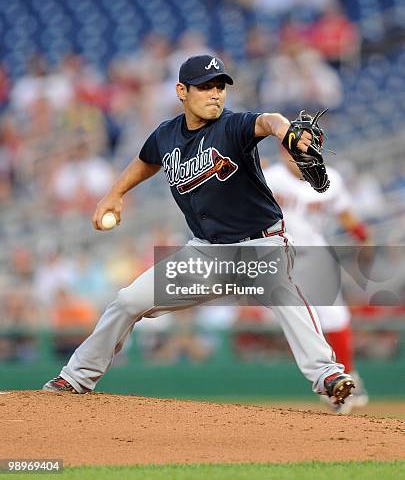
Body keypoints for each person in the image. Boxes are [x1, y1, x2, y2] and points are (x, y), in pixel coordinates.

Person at [43, 55, 354, 407]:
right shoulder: (166, 135)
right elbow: (146, 160)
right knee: (128, 300)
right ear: (182, 91)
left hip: (260, 245)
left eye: (220, 86)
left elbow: (267, 122)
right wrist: (115, 194)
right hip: (205, 253)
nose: (215, 93)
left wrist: (286, 131)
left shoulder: (233, 126)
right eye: (205, 86)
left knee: (285, 295)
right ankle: (75, 378)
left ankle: (327, 374)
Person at [263, 148, 370, 413]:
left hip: (315, 255)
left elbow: (344, 212)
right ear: (281, 150)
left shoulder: (329, 179)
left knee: (335, 318)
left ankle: (346, 380)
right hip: (278, 254)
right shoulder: (270, 176)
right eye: (294, 150)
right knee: (293, 318)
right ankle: (330, 380)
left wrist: (361, 235)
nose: (301, 156)